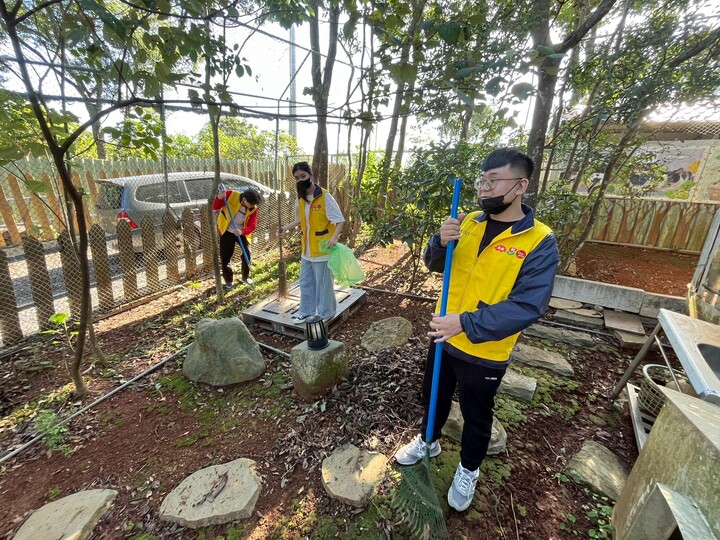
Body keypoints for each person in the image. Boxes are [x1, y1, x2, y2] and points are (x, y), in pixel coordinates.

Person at [394, 148, 560, 512]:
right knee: (433, 395)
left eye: (494, 181)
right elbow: (435, 264)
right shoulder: (468, 221)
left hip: (485, 349)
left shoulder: (539, 240)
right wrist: (439, 242)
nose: (484, 188)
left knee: (476, 413)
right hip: (443, 334)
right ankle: (428, 441)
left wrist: (466, 323)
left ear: (520, 185)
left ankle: (469, 468)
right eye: (482, 181)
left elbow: (529, 305)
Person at [278, 162, 345, 323]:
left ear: (310, 175)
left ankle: (326, 313)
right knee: (306, 281)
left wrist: (333, 238)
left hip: (323, 247)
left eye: (303, 176)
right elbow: (299, 220)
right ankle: (306, 311)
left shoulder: (324, 196)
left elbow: (339, 220)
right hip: (307, 248)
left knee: (323, 283)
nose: (300, 180)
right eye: (297, 178)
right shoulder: (300, 198)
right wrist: (285, 228)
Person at [213, 185, 261, 290]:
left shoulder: (253, 208)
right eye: (251, 203)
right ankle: (229, 281)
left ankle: (245, 277)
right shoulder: (230, 195)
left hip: (241, 232)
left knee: (247, 253)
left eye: (254, 204)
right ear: (244, 199)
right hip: (226, 230)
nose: (253, 206)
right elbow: (215, 207)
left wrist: (242, 231)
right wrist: (220, 197)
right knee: (226, 257)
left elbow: (252, 225)